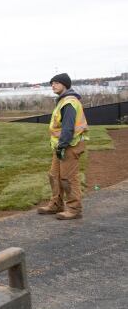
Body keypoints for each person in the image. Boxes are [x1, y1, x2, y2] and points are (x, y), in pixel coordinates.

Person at [37, 73, 89, 220]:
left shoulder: (69, 102)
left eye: (56, 83)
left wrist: (62, 145)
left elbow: (68, 128)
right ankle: (56, 204)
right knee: (54, 175)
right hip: (61, 146)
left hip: (70, 145)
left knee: (68, 178)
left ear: (65, 84)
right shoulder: (62, 101)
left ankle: (74, 209)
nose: (53, 85)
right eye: (52, 83)